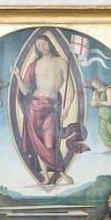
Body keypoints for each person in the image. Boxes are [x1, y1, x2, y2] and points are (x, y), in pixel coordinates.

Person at [11, 33, 88, 185]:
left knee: (50, 143)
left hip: (51, 108)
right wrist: (18, 76)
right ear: (37, 49)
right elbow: (26, 91)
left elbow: (71, 90)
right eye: (39, 46)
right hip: (33, 106)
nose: (42, 47)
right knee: (37, 143)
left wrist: (66, 109)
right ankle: (46, 177)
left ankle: (62, 174)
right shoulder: (34, 64)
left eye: (44, 44)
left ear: (50, 44)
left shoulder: (61, 62)